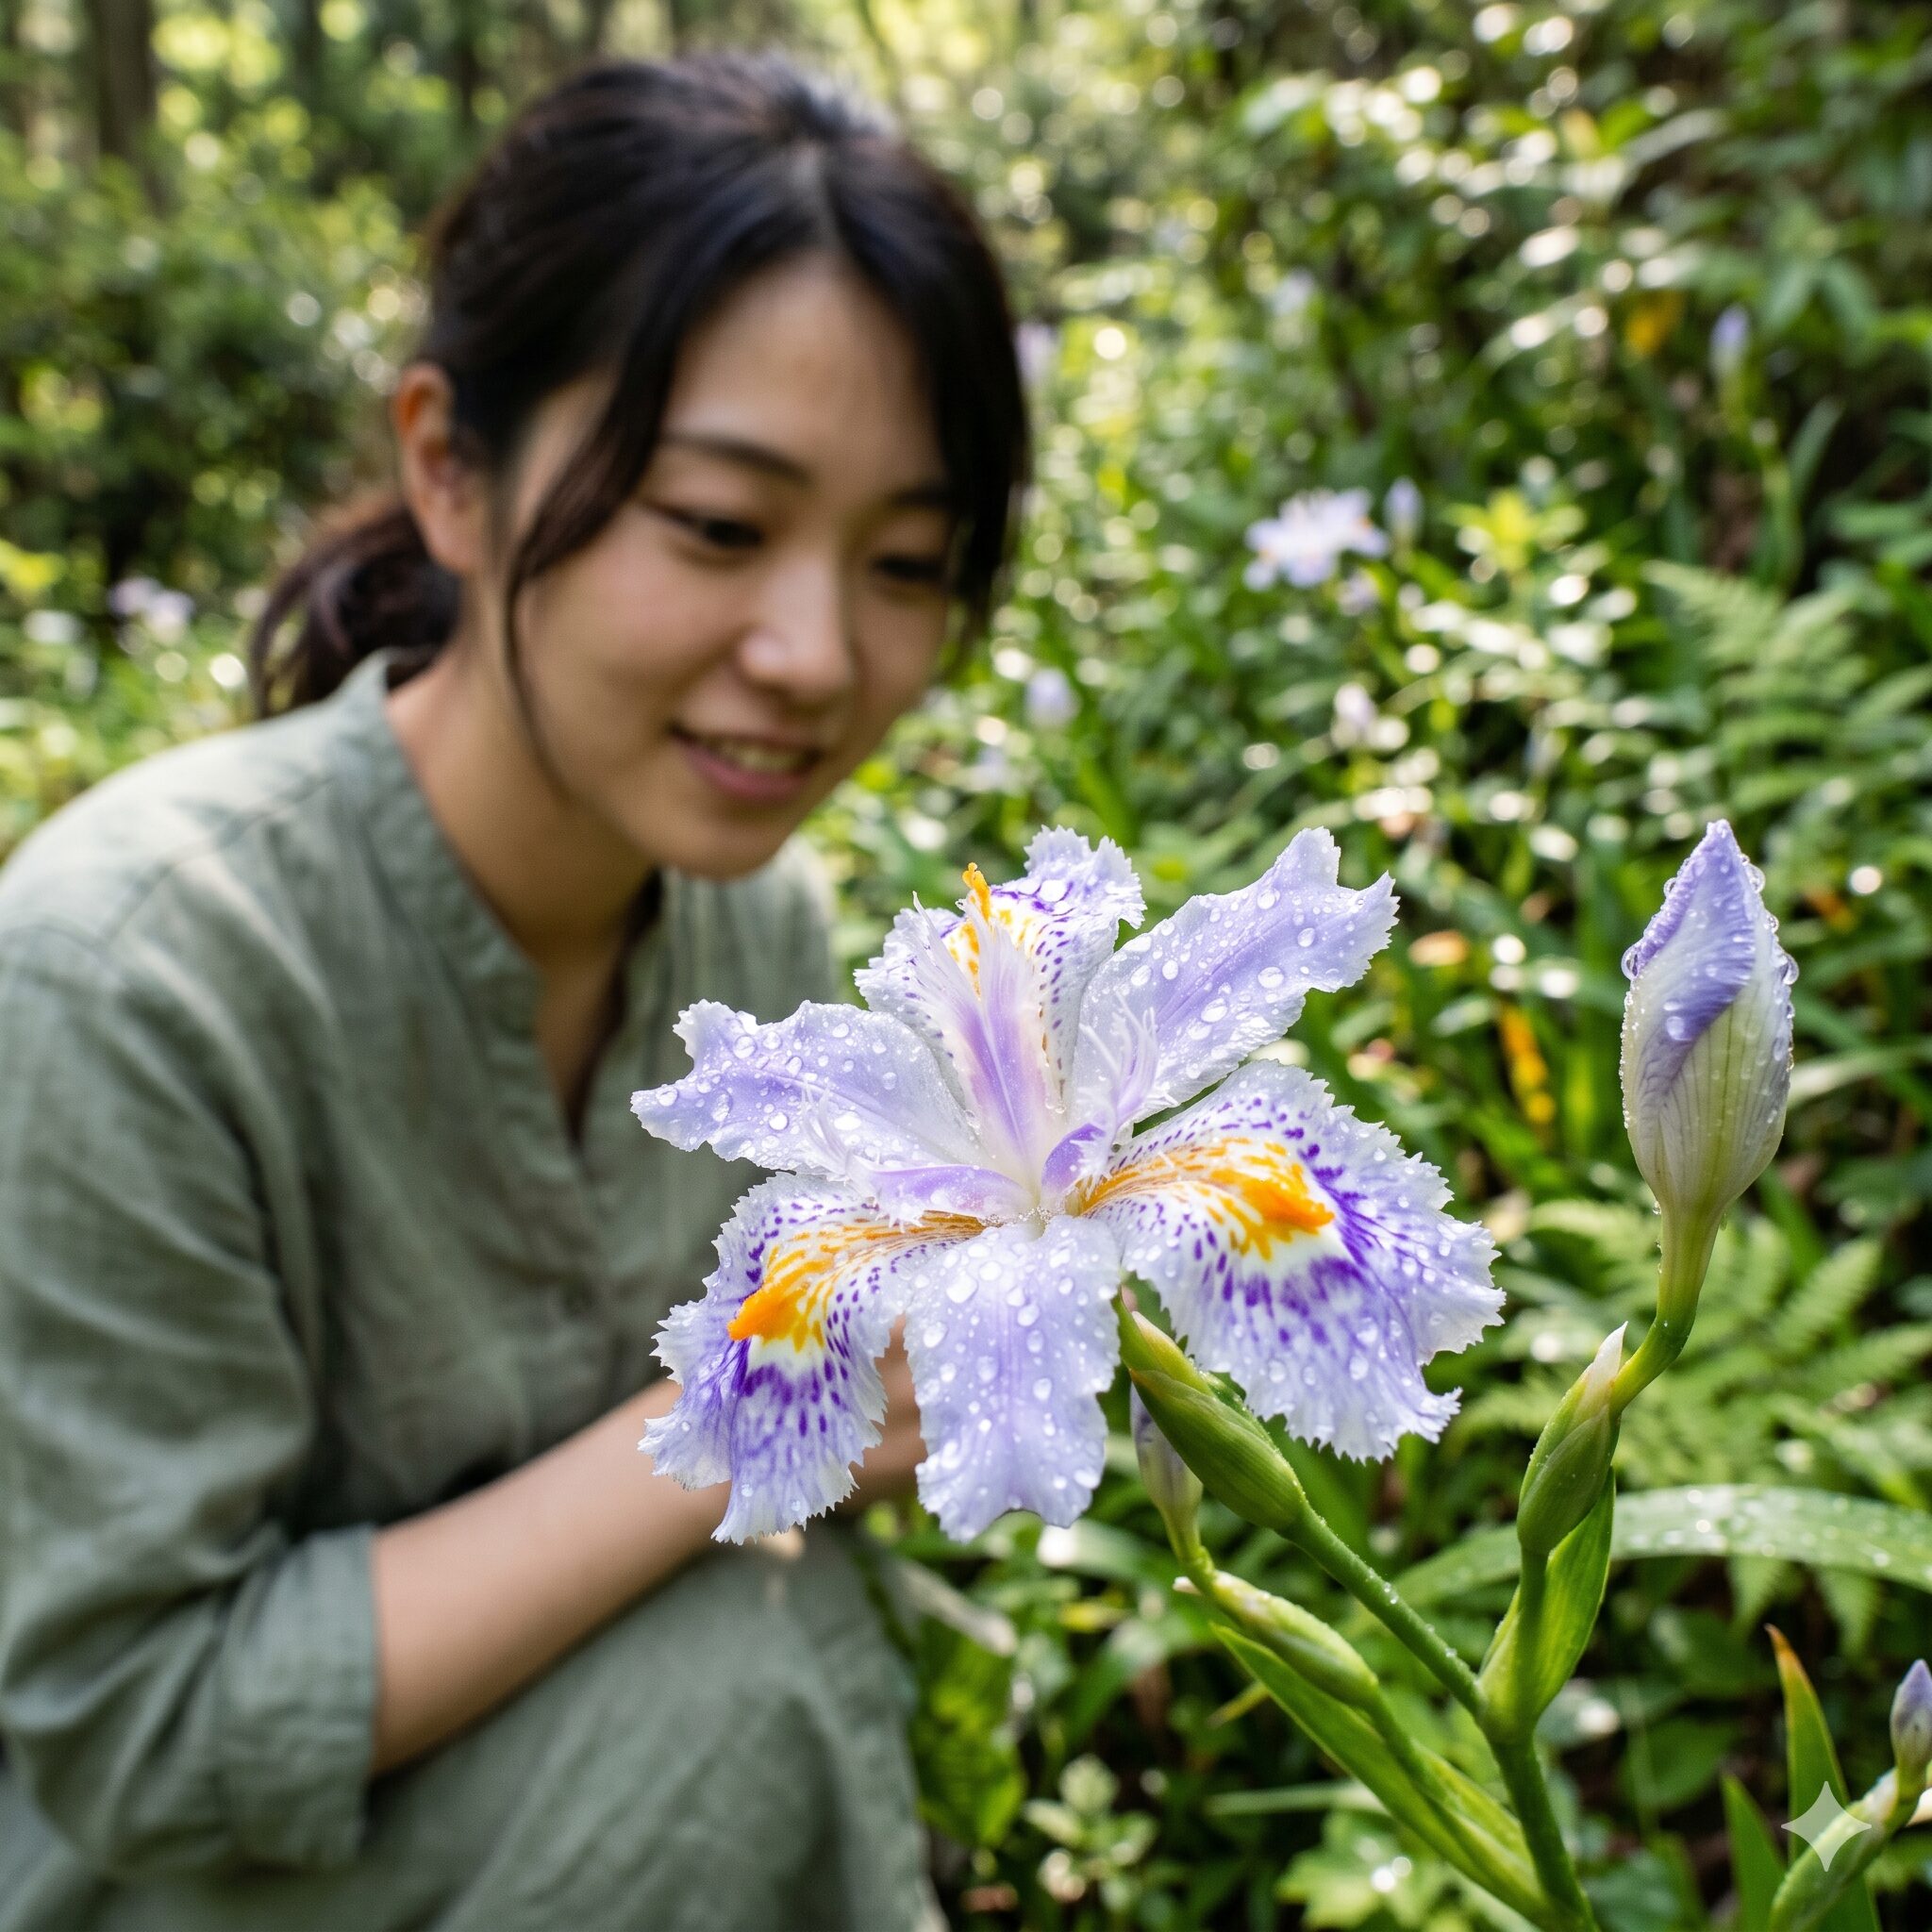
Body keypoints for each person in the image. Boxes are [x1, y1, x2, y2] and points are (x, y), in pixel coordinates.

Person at [0, 53, 1026, 1932]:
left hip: (576, 1813)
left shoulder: (762, 933)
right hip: (187, 1881)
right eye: (715, 525)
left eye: (905, 563)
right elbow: (132, 1727)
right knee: (744, 1697)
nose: (815, 655)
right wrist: (733, 1420)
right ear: (449, 471)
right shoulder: (123, 975)